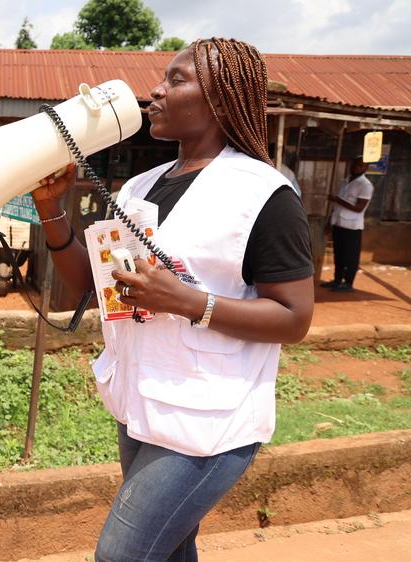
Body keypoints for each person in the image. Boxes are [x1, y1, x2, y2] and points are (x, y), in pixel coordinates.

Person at [31, 38, 314, 561]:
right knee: (173, 551)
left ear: (222, 101)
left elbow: (294, 318)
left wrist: (187, 301)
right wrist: (51, 207)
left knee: (121, 556)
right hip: (142, 401)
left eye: (176, 80)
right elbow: (89, 287)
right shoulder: (141, 186)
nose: (155, 91)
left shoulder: (263, 195)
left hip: (209, 421)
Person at [321, 157, 373, 292]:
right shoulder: (345, 181)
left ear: (366, 168)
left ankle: (348, 283)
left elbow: (359, 208)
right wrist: (329, 222)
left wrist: (338, 199)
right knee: (338, 254)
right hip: (338, 222)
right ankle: (337, 280)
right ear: (352, 164)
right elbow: (336, 205)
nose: (358, 167)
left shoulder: (365, 185)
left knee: (351, 256)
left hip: (352, 226)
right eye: (357, 164)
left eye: (362, 166)